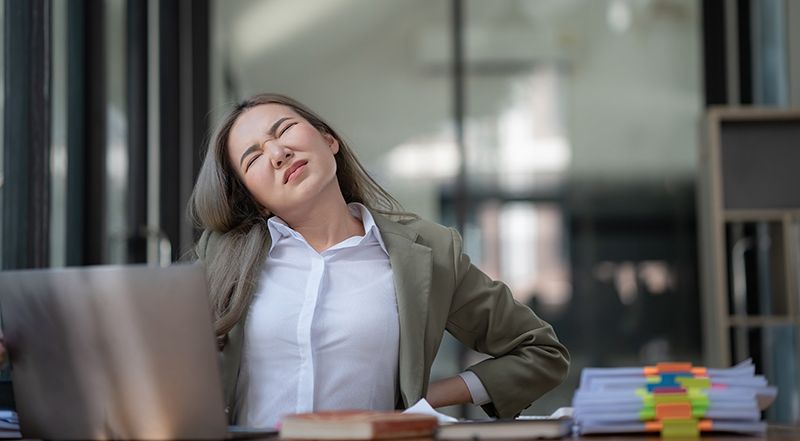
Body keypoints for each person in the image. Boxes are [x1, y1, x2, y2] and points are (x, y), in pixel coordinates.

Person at [189, 93, 569, 428]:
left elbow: (540, 351)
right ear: (253, 198)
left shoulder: (428, 253)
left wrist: (422, 401)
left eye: (284, 130)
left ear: (328, 139)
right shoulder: (222, 257)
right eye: (253, 156)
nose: (277, 153)